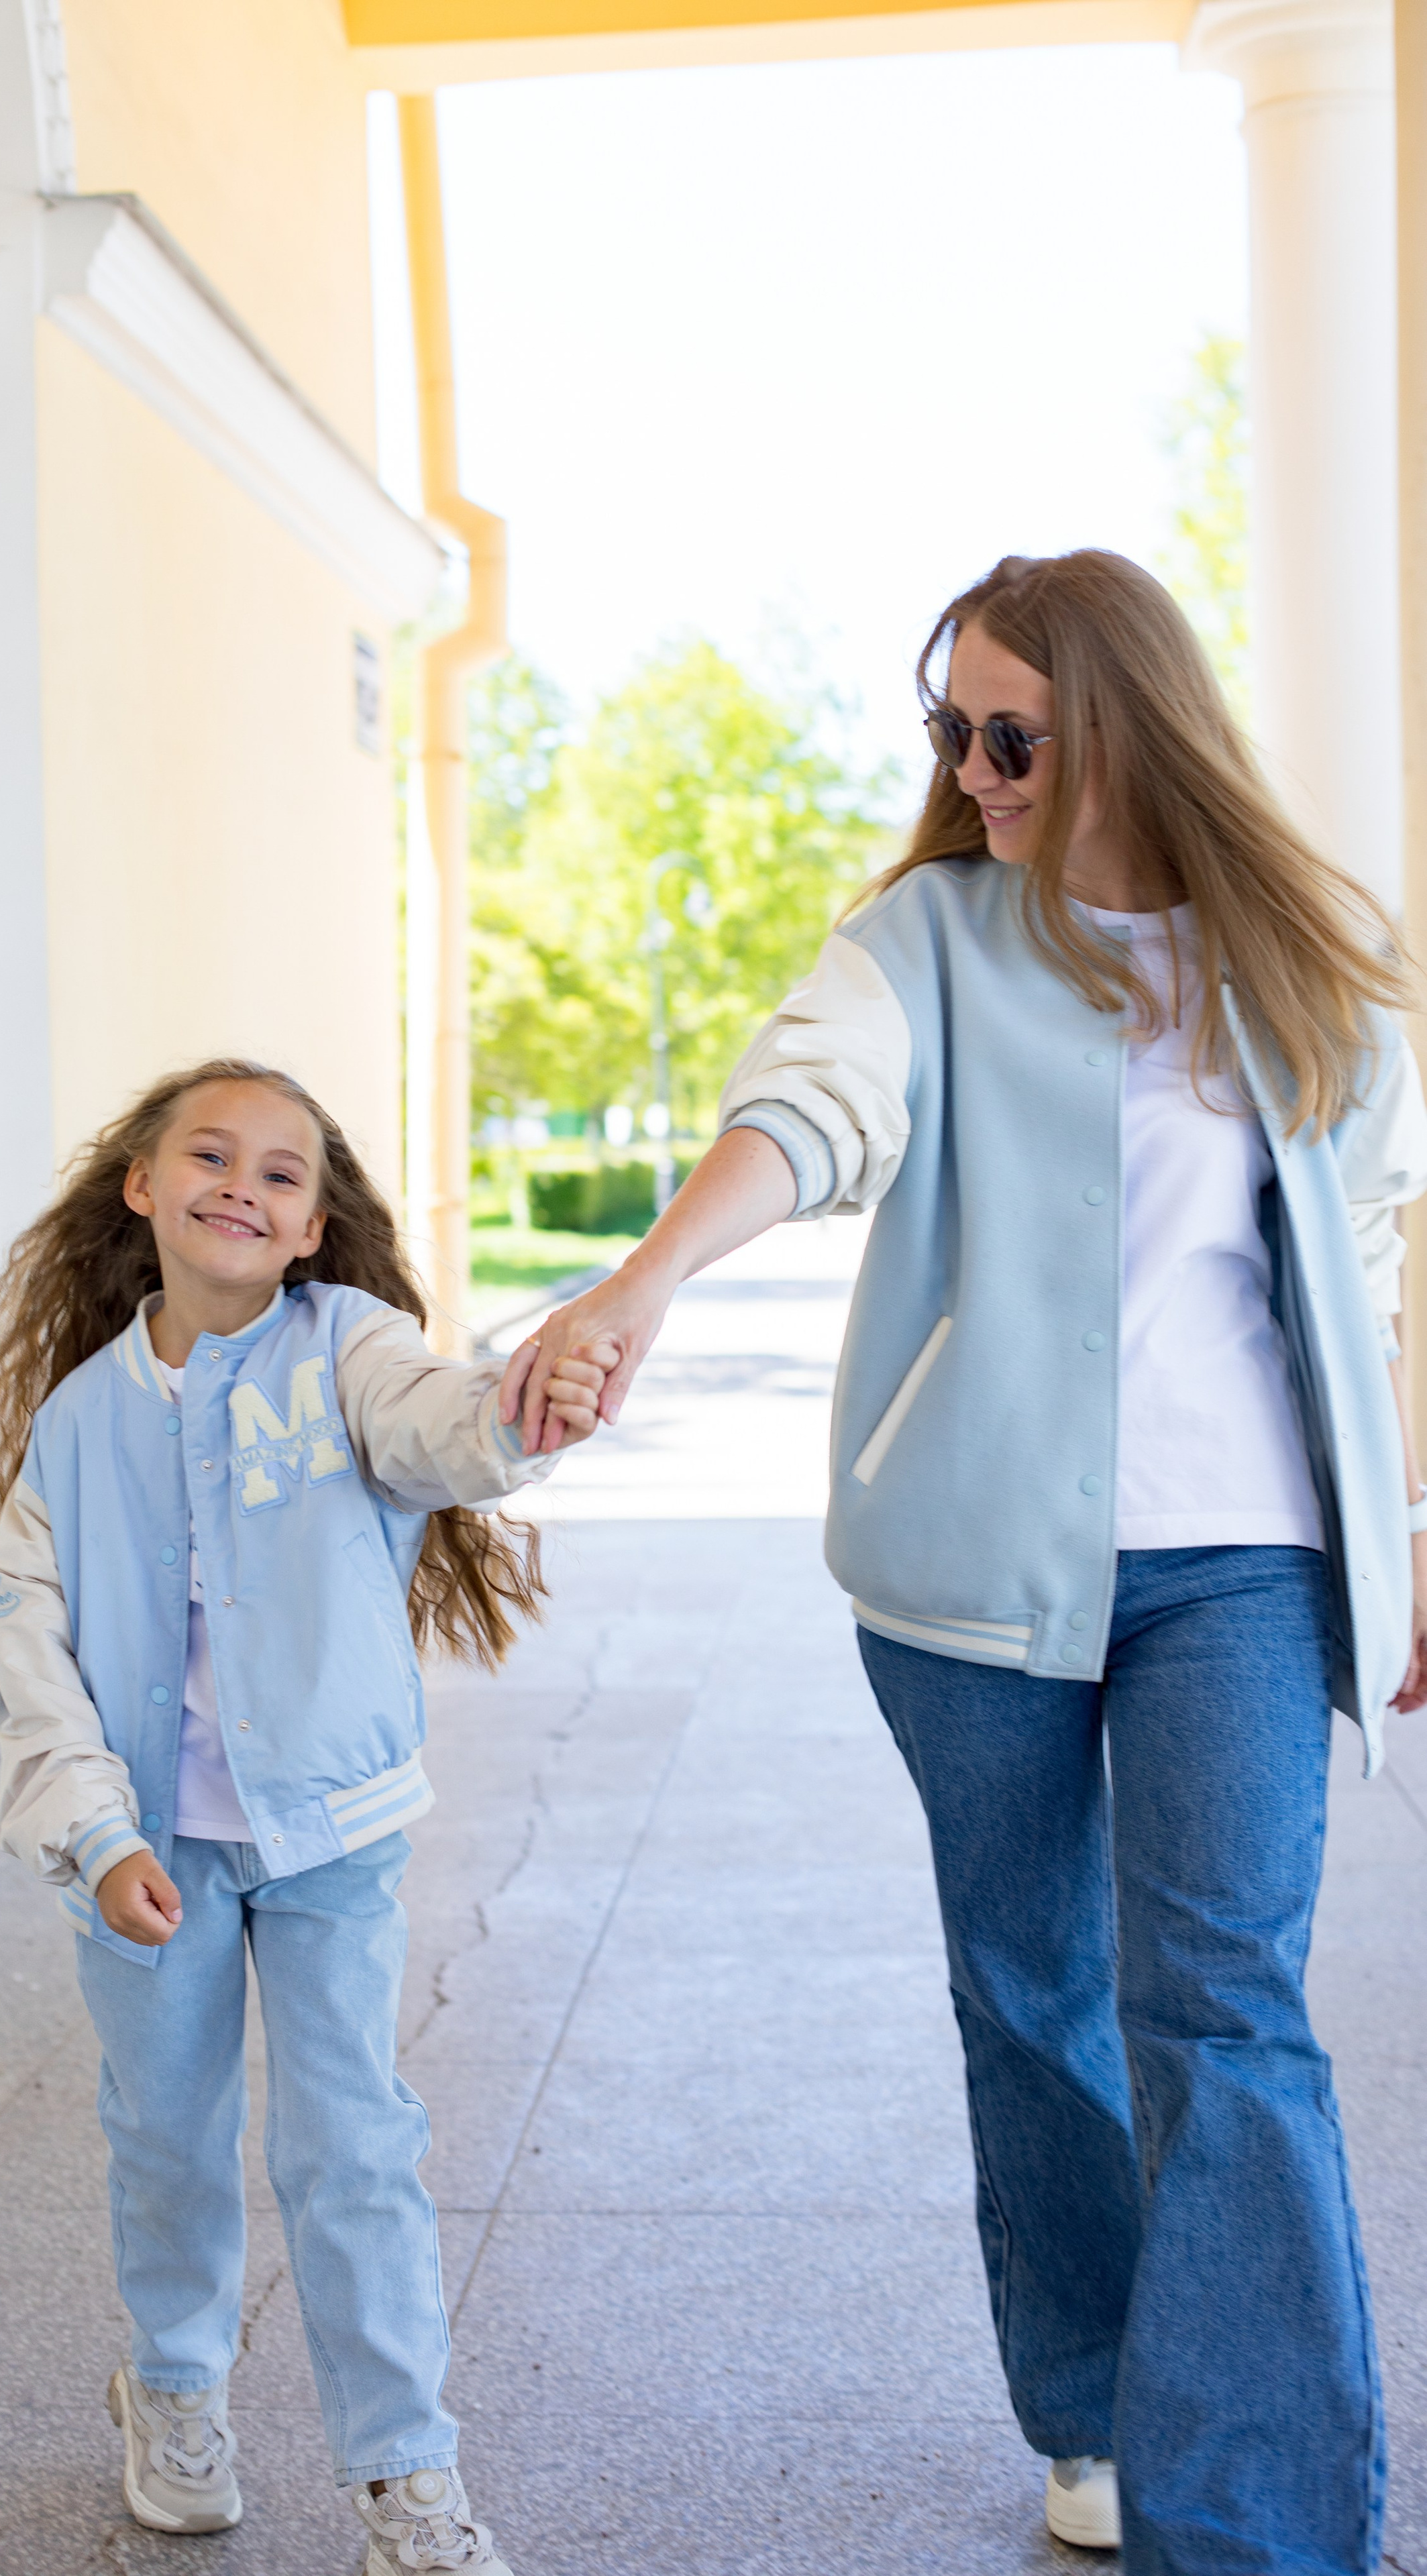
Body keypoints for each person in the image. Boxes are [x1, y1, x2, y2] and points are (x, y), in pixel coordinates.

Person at [511, 551, 1427, 2576]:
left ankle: (1258, 2525)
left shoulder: (1307, 954)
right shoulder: (921, 941)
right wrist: (645, 1280)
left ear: (1124, 725)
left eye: (1011, 735)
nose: (975, 773)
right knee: (1030, 1994)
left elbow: (1366, 1269)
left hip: (1242, 1561)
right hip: (969, 1567)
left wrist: (1413, 1525)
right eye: (953, 733)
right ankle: (1091, 2401)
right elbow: (805, 1111)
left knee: (1227, 2011)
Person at [0, 1058, 613, 2573]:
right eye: (211, 1157)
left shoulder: (349, 1347)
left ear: (314, 1228)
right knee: (167, 2138)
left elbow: (441, 1426)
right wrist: (97, 1836)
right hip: (145, 1855)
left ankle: (405, 2475)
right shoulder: (75, 1426)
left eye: (280, 1174)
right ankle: (174, 2389)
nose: (240, 1189)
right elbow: (31, 1653)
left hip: (331, 1836)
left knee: (352, 2149)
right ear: (142, 1185)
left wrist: (526, 1405)